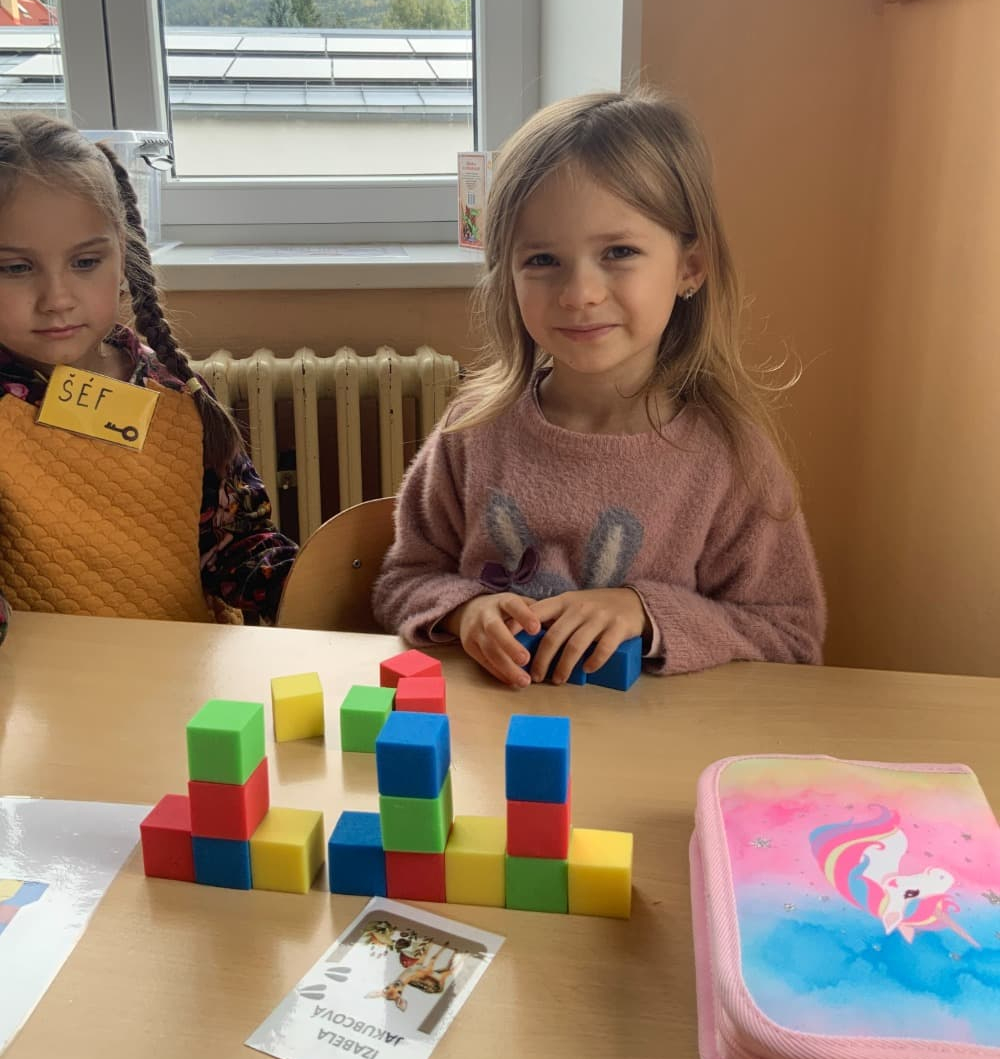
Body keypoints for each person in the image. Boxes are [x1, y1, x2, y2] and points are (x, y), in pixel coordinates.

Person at [374, 89, 825, 688]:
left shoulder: (731, 457)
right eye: (542, 260)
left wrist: (645, 612)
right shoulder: (473, 430)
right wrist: (464, 611)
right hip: (495, 735)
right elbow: (403, 581)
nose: (579, 294)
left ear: (690, 267)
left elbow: (790, 636)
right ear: (508, 274)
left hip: (657, 743)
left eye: (619, 251)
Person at [0, 113, 296, 640]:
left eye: (85, 262)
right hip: (43, 686)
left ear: (124, 253)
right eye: (16, 268)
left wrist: (326, 585)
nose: (57, 299)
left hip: (186, 673)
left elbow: (234, 545)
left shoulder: (176, 394)